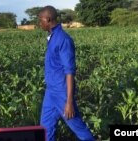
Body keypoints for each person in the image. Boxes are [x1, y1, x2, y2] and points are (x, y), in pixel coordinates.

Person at [38, 5, 95, 141]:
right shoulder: (52, 37)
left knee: (78, 127)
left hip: (62, 93)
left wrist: (68, 102)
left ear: (48, 19)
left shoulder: (63, 39)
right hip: (51, 92)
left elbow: (69, 71)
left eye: (41, 20)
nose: (40, 24)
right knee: (45, 129)